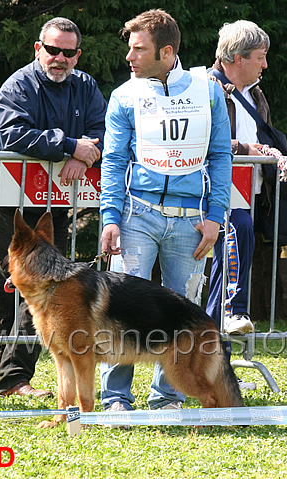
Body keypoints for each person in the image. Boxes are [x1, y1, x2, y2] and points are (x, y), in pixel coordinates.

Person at [98, 9, 232, 414]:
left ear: (166, 51)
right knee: (120, 309)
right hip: (137, 214)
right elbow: (114, 160)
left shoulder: (209, 92)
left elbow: (220, 155)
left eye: (139, 49)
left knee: (182, 312)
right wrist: (109, 217)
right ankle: (116, 398)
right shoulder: (124, 95)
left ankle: (167, 396)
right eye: (130, 48)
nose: (130, 56)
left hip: (192, 221)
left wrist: (215, 216)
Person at [0, 17, 107, 398]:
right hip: (11, 204)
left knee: (52, 288)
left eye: (68, 52)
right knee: (11, 287)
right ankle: (13, 379)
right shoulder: (19, 84)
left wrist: (87, 153)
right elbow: (9, 131)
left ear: (77, 55)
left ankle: (28, 374)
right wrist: (70, 146)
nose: (60, 58)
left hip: (53, 204)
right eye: (52, 50)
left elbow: (105, 130)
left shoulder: (85, 85)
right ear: (38, 48)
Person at [205, 20, 287, 336]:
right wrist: (245, 148)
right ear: (237, 58)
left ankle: (216, 361)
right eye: (261, 56)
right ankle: (234, 310)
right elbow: (202, 139)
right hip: (213, 191)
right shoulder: (205, 89)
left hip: (251, 193)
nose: (266, 64)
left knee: (224, 268)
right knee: (239, 229)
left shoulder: (257, 96)